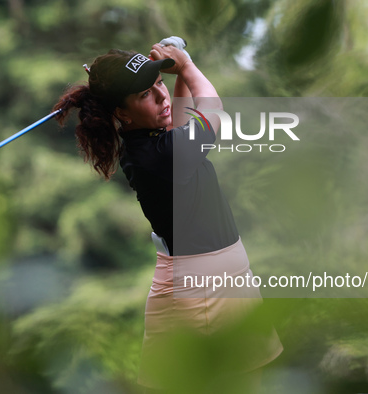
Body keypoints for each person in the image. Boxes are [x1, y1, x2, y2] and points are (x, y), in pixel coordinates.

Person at [53, 41, 282, 392]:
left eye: (158, 84)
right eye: (146, 93)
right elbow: (214, 115)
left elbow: (180, 126)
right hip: (202, 292)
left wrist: (176, 79)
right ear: (122, 113)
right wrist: (187, 67)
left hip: (220, 280)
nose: (161, 97)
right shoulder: (154, 158)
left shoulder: (153, 143)